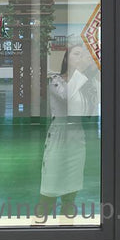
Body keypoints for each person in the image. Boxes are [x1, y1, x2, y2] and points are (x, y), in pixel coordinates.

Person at [37, 44, 99, 222]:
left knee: (70, 195)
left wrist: (91, 75)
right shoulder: (55, 80)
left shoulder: (87, 84)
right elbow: (67, 98)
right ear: (66, 59)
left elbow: (89, 112)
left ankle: (67, 230)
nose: (81, 58)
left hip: (76, 138)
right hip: (58, 136)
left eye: (83, 55)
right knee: (48, 191)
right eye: (76, 54)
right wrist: (79, 73)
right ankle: (37, 230)